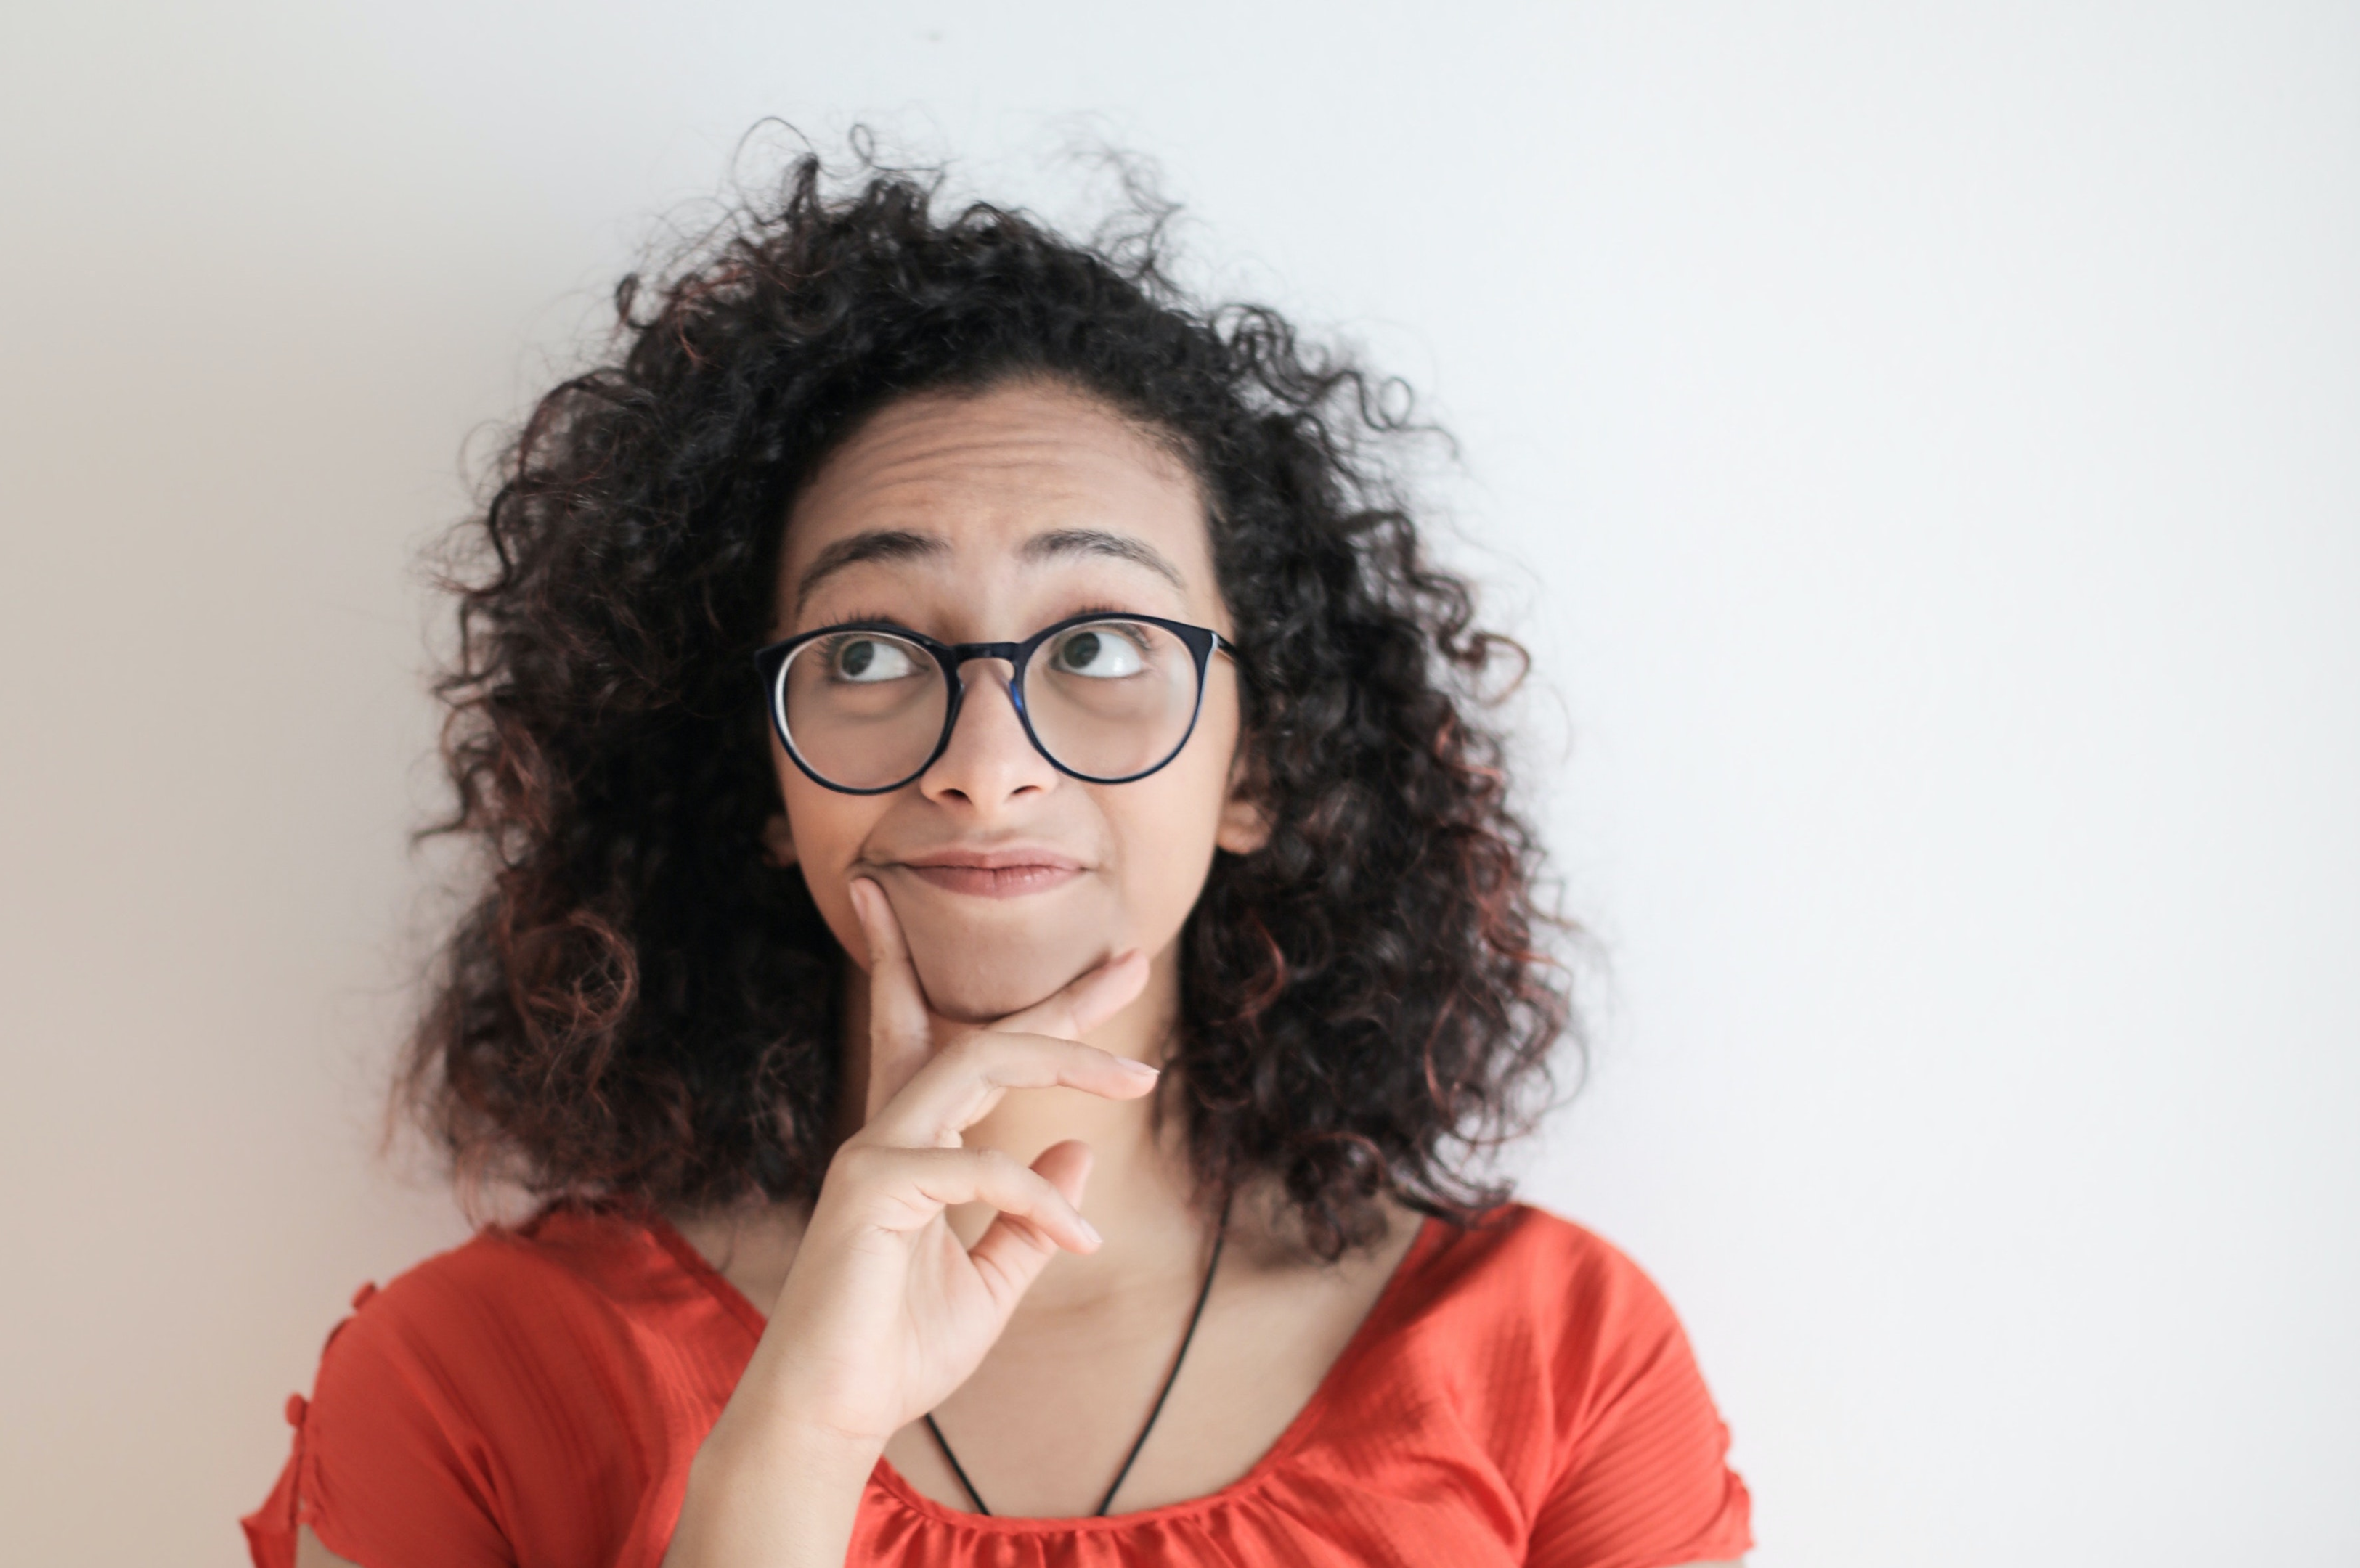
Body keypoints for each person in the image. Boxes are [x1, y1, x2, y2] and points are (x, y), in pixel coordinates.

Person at [243, 152, 1753, 1568]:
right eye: (870, 649)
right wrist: (795, 1447)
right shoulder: (474, 1383)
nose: (984, 762)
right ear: (769, 781)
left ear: (1262, 762)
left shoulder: (1560, 1364)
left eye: (1098, 643)